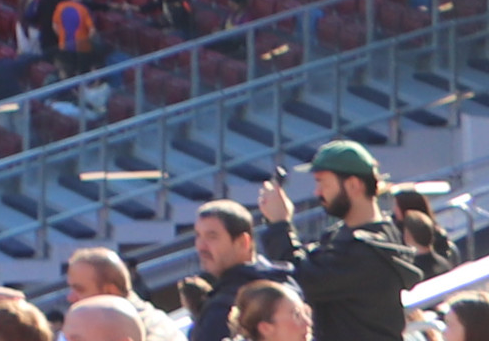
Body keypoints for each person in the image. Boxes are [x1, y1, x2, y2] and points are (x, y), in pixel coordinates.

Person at [256, 142, 430, 341]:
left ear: (354, 185)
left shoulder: (366, 249)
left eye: (323, 183)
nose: (317, 192)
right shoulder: (358, 236)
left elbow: (299, 279)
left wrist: (279, 224)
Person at [174, 201, 265, 339]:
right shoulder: (284, 281)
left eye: (212, 237)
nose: (201, 246)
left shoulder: (221, 312)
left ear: (242, 242)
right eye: (198, 236)